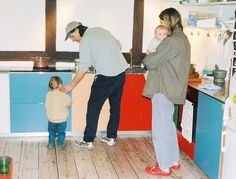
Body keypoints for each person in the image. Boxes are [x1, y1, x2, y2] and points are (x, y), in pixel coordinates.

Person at [62, 21, 129, 149]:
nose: (72, 40)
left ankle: (88, 140)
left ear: (77, 30)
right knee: (115, 107)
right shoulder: (99, 29)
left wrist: (71, 85)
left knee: (93, 108)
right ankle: (111, 137)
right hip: (120, 73)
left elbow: (83, 68)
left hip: (105, 77)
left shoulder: (85, 41)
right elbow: (118, 45)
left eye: (71, 36)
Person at [142, 8, 190, 176]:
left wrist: (147, 57)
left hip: (164, 87)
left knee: (160, 129)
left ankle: (163, 166)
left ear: (170, 20)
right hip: (173, 88)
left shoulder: (172, 40)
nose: (161, 25)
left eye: (163, 21)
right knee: (168, 126)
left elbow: (151, 61)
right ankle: (173, 161)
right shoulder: (182, 38)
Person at [45, 76, 72, 150]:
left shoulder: (48, 94)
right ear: (60, 85)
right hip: (62, 119)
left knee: (51, 132)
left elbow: (47, 105)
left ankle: (51, 144)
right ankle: (60, 145)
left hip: (51, 119)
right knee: (61, 133)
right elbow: (69, 103)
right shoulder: (64, 95)